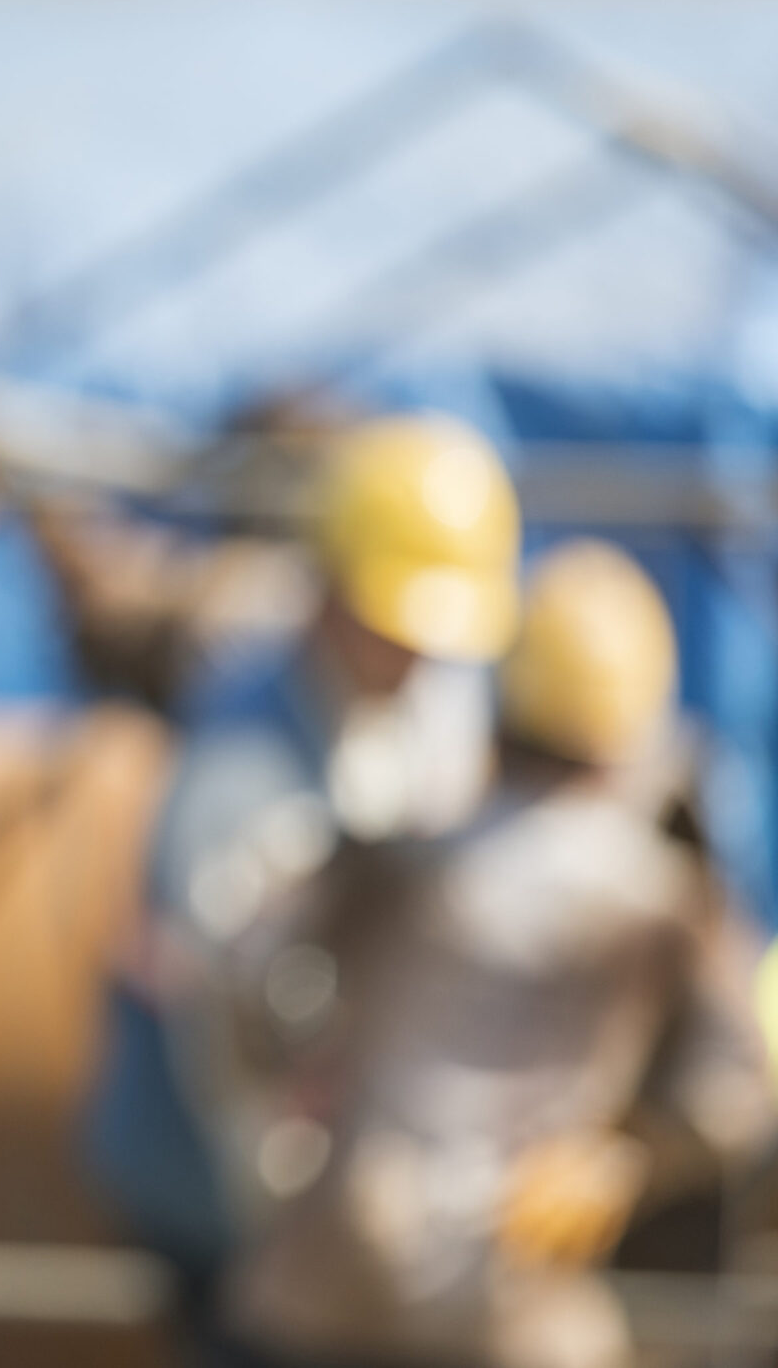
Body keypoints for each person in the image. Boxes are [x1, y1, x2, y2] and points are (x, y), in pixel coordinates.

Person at [221, 539, 774, 1368]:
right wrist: (623, 1158)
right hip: (508, 1303)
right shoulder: (661, 898)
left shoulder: (395, 858)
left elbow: (250, 978)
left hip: (327, 1280)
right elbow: (743, 1082)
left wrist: (298, 1093)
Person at [84, 412, 520, 1323]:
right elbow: (230, 1055)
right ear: (330, 592)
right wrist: (304, 1237)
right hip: (227, 1196)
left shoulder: (423, 701)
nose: (420, 657)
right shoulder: (238, 782)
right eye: (397, 628)